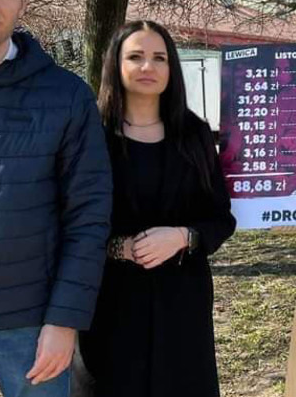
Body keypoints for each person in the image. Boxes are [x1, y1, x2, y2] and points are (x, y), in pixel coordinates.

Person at [78, 20, 236, 397]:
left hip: (182, 299)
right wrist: (121, 248)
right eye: (136, 57)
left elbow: (220, 218)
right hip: (110, 301)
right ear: (115, 64)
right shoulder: (91, 134)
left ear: (171, 68)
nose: (148, 66)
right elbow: (72, 220)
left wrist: (183, 236)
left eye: (159, 58)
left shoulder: (195, 134)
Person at [0, 0, 112, 397]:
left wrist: (64, 320)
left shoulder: (66, 96)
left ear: (23, 3)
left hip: (29, 320)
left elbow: (88, 216)